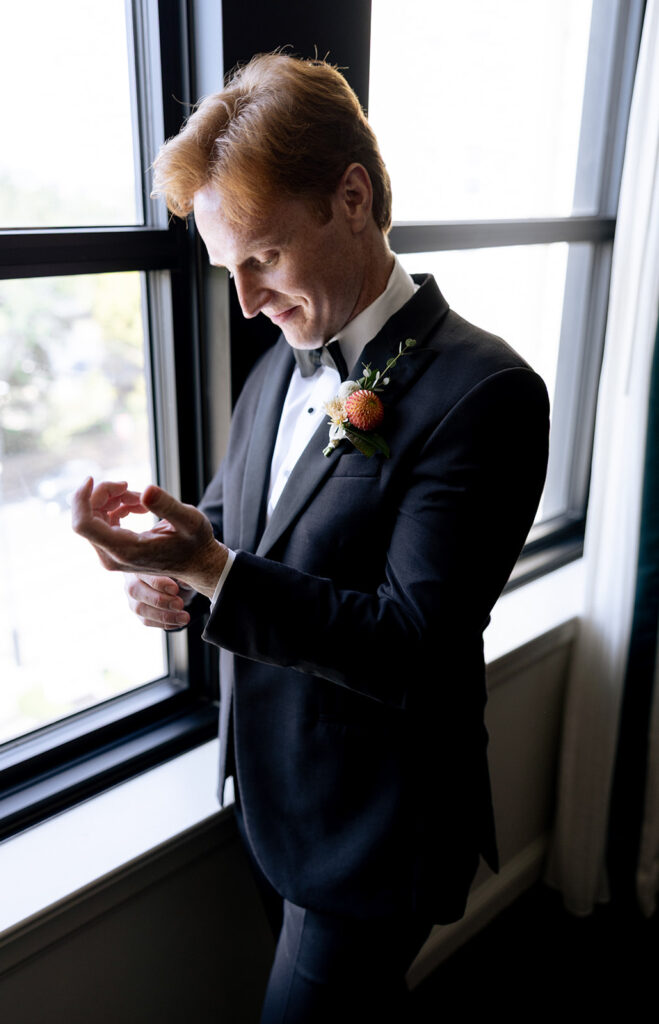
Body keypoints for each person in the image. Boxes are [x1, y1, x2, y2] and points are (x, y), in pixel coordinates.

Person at [72, 53, 549, 1022]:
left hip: (376, 828)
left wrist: (210, 567)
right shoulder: (278, 364)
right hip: (271, 799)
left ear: (351, 196)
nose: (245, 301)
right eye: (227, 270)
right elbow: (245, 532)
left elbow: (416, 646)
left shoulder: (486, 394)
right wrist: (175, 568)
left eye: (263, 258)